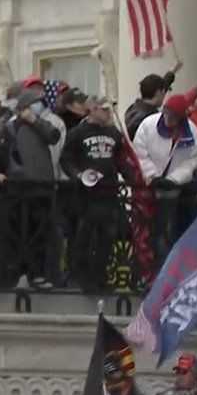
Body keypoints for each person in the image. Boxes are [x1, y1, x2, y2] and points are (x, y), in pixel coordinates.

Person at [59, 96, 127, 293]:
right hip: (86, 195)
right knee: (84, 237)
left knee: (107, 237)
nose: (107, 113)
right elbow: (66, 158)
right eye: (104, 109)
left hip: (109, 192)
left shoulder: (114, 133)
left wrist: (134, 177)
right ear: (93, 109)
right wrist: (78, 175)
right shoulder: (77, 133)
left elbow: (121, 159)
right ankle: (82, 276)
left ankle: (100, 276)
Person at [131, 92, 197, 260]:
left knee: (167, 230)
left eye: (174, 116)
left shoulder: (192, 134)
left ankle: (166, 265)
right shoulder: (148, 125)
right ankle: (146, 266)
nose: (168, 119)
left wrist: (173, 180)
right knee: (146, 230)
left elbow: (192, 161)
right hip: (147, 187)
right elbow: (139, 152)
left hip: (173, 191)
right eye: (167, 113)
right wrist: (152, 175)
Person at [125, 71, 175, 139]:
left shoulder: (132, 108)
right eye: (163, 92)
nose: (164, 96)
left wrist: (170, 74)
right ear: (158, 92)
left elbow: (160, 86)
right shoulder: (153, 118)